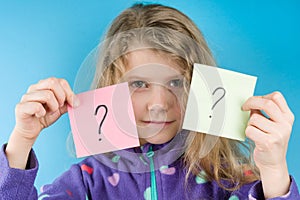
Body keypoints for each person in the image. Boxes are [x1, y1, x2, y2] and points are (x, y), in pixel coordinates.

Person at [0, 3, 299, 200]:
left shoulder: (228, 178)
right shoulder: (88, 181)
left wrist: (274, 169)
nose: (159, 103)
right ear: (111, 87)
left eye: (176, 82)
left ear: (201, 86)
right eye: (139, 84)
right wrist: (22, 141)